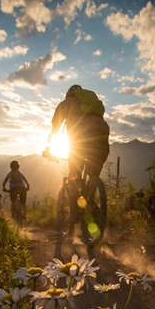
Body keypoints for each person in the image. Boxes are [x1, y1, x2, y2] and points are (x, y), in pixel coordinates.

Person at [43, 84, 110, 222]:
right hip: (102, 136)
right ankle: (90, 202)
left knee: (73, 176)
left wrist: (49, 149)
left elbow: (55, 128)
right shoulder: (90, 104)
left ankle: (74, 212)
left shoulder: (66, 104)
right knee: (93, 175)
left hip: (80, 139)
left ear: (68, 95)